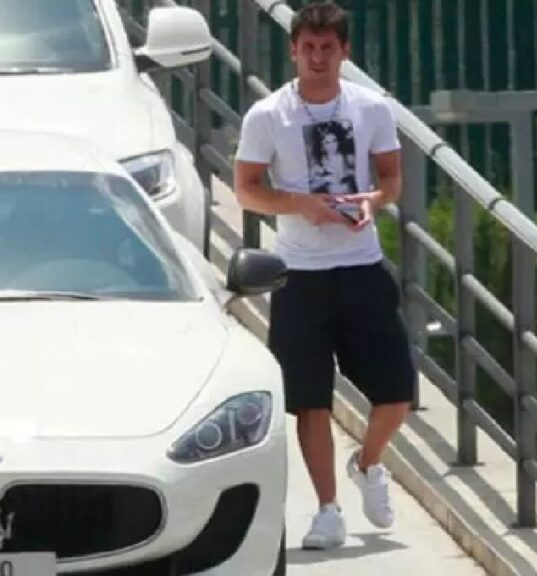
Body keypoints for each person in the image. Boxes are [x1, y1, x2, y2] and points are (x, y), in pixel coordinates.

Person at [233, 1, 415, 551]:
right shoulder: (268, 115)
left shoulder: (371, 108)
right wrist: (298, 204)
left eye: (327, 49)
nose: (316, 58)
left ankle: (368, 460)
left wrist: (373, 201)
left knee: (397, 393)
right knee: (310, 398)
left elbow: (391, 179)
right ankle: (328, 509)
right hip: (300, 274)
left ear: (344, 52)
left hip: (361, 265)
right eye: (307, 48)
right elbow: (246, 187)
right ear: (293, 50)